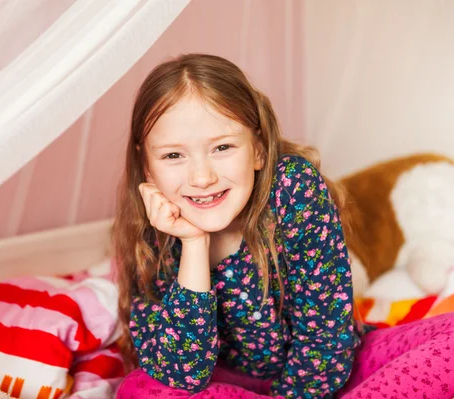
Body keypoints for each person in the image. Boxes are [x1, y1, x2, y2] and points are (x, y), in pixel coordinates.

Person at [113, 53, 454, 399]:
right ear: (146, 166)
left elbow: (325, 335)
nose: (202, 177)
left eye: (223, 147)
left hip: (332, 369)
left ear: (258, 149)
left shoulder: (292, 188)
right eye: (173, 156)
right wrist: (193, 243)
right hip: (229, 385)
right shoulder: (153, 229)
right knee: (141, 389)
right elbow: (181, 373)